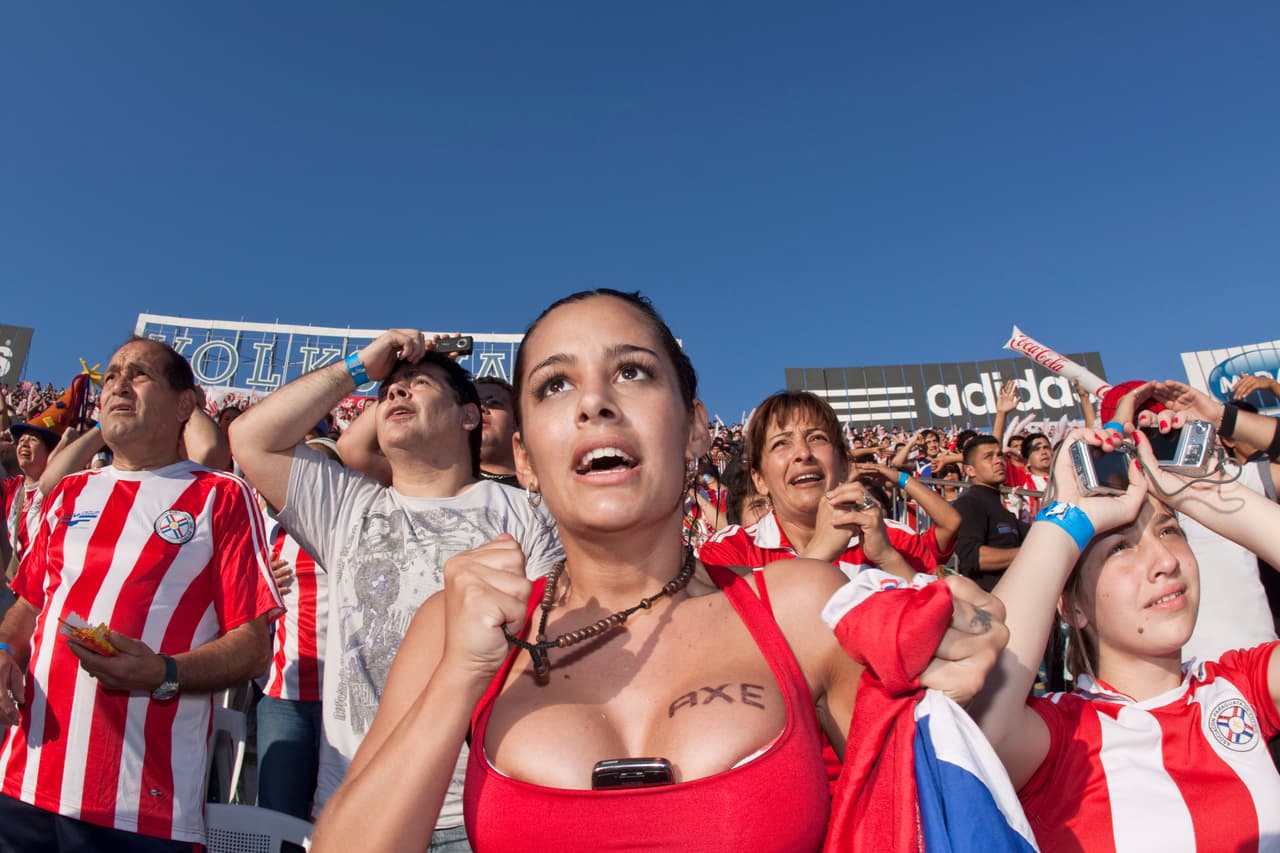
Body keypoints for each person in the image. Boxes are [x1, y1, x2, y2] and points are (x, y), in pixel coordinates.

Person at [310, 289, 1005, 852]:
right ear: (524, 458)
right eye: (555, 384)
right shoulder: (457, 625)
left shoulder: (797, 604)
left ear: (697, 427)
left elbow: (964, 785)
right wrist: (460, 675)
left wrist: (968, 626)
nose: (593, 402)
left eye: (632, 371)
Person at [229, 332, 563, 848]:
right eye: (389, 393)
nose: (397, 395)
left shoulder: (526, 514)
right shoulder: (345, 509)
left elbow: (551, 645)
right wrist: (360, 367)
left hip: (475, 810)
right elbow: (251, 438)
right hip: (362, 806)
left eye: (419, 384)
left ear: (469, 417)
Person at [0, 336, 281, 852]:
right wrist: (2, 651)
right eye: (111, 376)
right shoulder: (68, 493)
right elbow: (28, 606)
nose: (118, 385)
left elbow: (253, 643)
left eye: (139, 374)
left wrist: (163, 673)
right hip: (24, 783)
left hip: (140, 809)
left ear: (183, 405)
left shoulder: (219, 495)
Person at [969, 422, 1280, 851]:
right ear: (1072, 606)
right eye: (1120, 548)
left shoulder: (1243, 687)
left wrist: (1204, 492)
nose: (1165, 561)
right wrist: (1064, 517)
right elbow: (971, 729)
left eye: (1169, 531)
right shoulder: (1056, 735)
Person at [699, 391, 960, 580]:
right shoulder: (728, 551)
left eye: (817, 438)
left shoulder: (897, 540)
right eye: (781, 443)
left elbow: (944, 637)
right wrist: (817, 557)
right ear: (760, 480)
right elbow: (730, 646)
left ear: (844, 466)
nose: (803, 453)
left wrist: (888, 560)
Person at [952, 435, 1028, 591]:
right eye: (988, 457)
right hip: (992, 605)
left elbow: (1037, 535)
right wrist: (1027, 554)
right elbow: (972, 557)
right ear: (970, 470)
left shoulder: (1002, 510)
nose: (998, 461)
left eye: (1000, 455)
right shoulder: (968, 503)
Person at [474, 377, 519, 487]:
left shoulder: (546, 489)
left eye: (493, 403)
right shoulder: (441, 488)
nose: (481, 407)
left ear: (517, 421)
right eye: (473, 404)